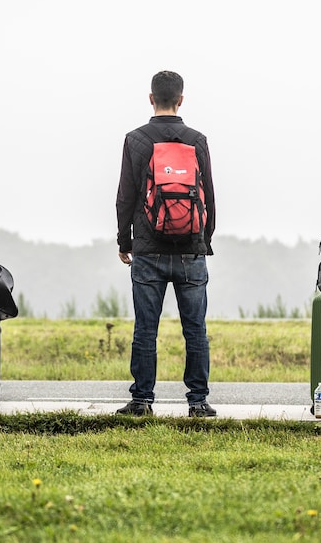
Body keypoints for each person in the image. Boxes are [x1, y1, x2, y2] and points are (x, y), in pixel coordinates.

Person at [115, 70, 218, 417]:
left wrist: (124, 240)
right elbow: (210, 198)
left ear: (150, 98)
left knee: (146, 329)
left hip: (148, 249)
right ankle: (198, 402)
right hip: (191, 249)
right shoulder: (197, 140)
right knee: (195, 330)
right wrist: (203, 240)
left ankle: (142, 400)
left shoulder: (135, 139)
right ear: (181, 100)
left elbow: (125, 197)